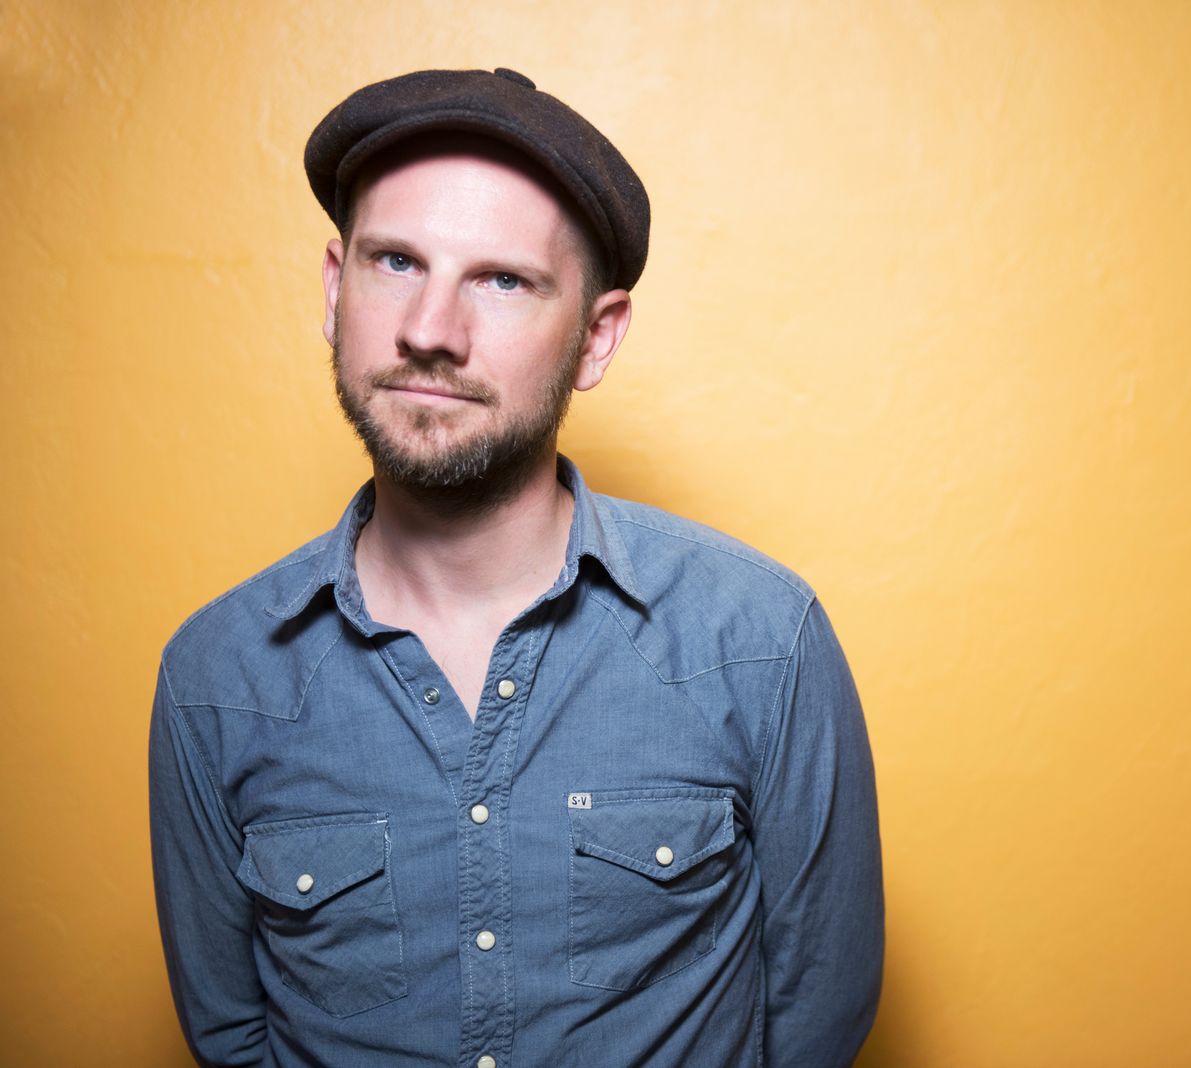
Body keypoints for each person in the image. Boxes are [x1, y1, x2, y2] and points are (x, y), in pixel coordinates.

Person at [148, 67, 883, 1068]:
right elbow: (229, 1034)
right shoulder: (215, 677)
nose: (429, 332)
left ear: (595, 338)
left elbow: (818, 1012)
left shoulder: (761, 640)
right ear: (333, 287)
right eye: (395, 262)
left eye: (503, 281)